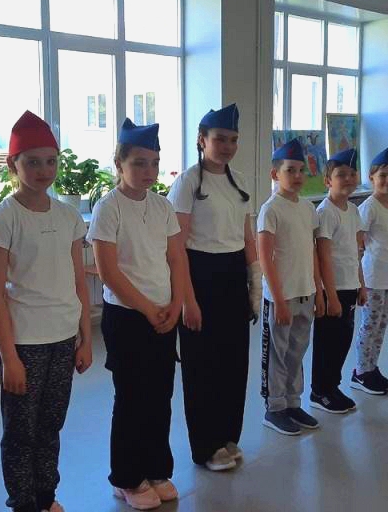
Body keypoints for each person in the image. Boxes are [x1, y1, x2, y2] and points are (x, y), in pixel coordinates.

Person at [0, 111, 92, 512]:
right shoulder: (3, 218)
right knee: (20, 430)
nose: (44, 170)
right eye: (32, 162)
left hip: (63, 338)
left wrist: (85, 338)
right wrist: (8, 356)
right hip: (24, 342)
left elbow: (79, 282)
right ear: (14, 165)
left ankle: (46, 496)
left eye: (50, 161)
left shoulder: (68, 216)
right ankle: (23, 502)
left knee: (51, 424)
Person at [88, 119, 187, 511]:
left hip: (164, 314)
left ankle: (156, 470)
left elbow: (176, 258)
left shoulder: (162, 206)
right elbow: (109, 271)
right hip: (128, 317)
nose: (149, 171)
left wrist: (176, 305)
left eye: (154, 163)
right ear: (120, 163)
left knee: (160, 396)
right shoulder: (107, 208)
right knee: (131, 398)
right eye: (139, 163)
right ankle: (127, 477)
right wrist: (148, 309)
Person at [167, 104, 256, 472]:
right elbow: (177, 247)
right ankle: (206, 445)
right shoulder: (188, 182)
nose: (227, 146)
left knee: (234, 361)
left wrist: (255, 282)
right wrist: (187, 299)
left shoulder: (241, 181)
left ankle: (228, 435)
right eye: (220, 139)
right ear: (202, 140)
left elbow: (247, 236)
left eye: (233, 140)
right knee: (203, 365)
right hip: (199, 273)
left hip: (233, 272)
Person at [258, 137, 324, 436]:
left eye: (301, 170)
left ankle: (293, 402)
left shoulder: (308, 208)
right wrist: (279, 299)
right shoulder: (270, 209)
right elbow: (265, 257)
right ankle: (274, 408)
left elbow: (312, 252)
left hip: (305, 292)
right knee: (277, 353)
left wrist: (318, 290)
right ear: (275, 174)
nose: (297, 176)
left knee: (297, 351)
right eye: (290, 170)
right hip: (281, 297)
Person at [311, 148, 365, 413]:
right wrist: (330, 296)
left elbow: (356, 252)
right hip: (332, 289)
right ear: (327, 181)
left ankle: (333, 386)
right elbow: (323, 256)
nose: (348, 179)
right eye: (341, 174)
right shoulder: (325, 212)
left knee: (343, 340)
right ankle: (320, 391)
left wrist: (361, 284)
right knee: (327, 343)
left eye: (352, 174)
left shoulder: (353, 210)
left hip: (350, 286)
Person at [351, 144, 388, 395]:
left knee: (381, 326)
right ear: (371, 177)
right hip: (373, 279)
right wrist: (359, 280)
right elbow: (358, 242)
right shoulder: (369, 206)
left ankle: (372, 367)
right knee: (369, 326)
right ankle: (361, 372)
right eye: (383, 175)